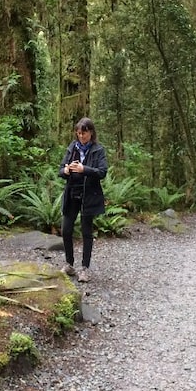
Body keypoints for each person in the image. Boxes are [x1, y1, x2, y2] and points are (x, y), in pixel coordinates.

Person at [58, 117, 108, 283]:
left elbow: (102, 172)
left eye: (84, 133)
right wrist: (65, 170)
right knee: (66, 229)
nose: (81, 136)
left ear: (91, 132)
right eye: (79, 133)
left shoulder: (98, 150)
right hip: (72, 192)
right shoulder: (72, 148)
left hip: (89, 195)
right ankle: (69, 264)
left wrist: (83, 169)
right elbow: (60, 169)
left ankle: (84, 268)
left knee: (87, 232)